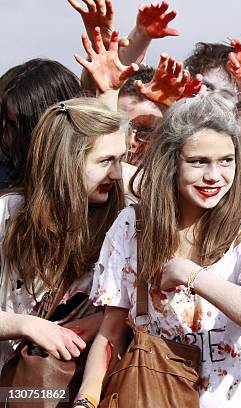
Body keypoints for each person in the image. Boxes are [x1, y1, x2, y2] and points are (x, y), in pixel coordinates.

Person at [74, 94, 241, 408]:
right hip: (148, 393)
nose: (214, 176)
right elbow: (111, 331)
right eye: (199, 161)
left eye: (226, 160)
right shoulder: (133, 226)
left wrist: (190, 274)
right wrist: (86, 399)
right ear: (171, 161)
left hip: (232, 398)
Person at [0, 97, 127, 369]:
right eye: (106, 160)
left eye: (121, 159)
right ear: (67, 162)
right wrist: (26, 325)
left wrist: (104, 321)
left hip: (85, 386)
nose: (117, 173)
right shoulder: (8, 214)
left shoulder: (125, 218)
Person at [0, 58, 82, 189]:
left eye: (25, 123)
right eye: (13, 123)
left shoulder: (93, 166)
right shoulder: (13, 170)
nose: (17, 135)